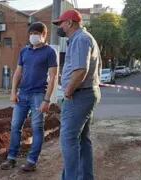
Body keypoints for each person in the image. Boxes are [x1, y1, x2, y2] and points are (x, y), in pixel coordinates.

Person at [0, 22, 58, 172]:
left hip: (39, 95)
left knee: (37, 128)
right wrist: (13, 91)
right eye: (31, 33)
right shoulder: (24, 51)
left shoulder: (50, 52)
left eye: (37, 33)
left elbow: (53, 77)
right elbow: (18, 73)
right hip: (23, 94)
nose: (33, 36)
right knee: (15, 127)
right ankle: (11, 158)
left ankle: (32, 161)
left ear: (44, 35)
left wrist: (47, 99)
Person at [52, 9, 102, 180]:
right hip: (86, 94)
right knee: (82, 140)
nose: (59, 27)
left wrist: (67, 91)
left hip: (79, 95)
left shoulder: (80, 39)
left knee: (68, 139)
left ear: (70, 23)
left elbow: (81, 70)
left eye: (60, 23)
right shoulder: (81, 38)